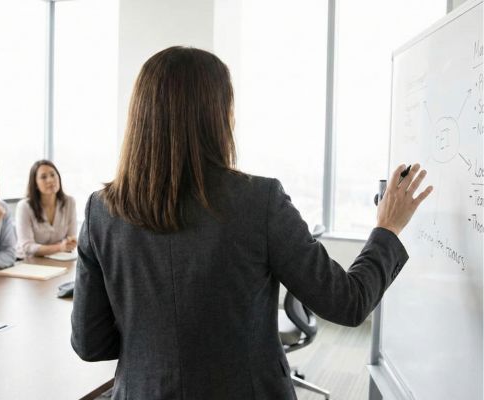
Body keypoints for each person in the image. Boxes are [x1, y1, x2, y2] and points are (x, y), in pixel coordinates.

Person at [70, 47, 433, 399]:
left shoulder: (101, 211)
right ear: (218, 115)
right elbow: (348, 302)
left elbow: (90, 343)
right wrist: (387, 229)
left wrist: (155, 350)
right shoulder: (259, 200)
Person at [15, 160, 77, 258]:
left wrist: (71, 243)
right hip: (29, 261)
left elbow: (71, 237)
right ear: (35, 183)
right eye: (43, 177)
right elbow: (27, 246)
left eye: (53, 175)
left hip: (58, 259)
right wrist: (60, 247)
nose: (50, 180)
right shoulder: (24, 206)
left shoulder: (69, 202)